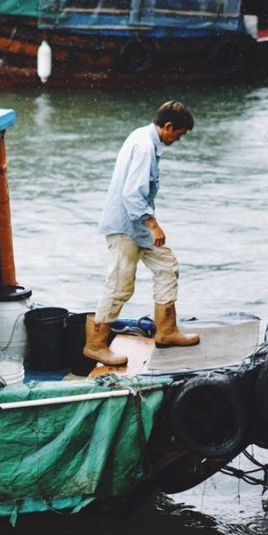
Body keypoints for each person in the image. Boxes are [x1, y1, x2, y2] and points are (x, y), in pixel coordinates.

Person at [85, 101, 199, 368]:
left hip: (138, 227)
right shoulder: (146, 146)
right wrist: (153, 224)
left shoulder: (140, 134)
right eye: (178, 134)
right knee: (120, 284)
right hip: (127, 225)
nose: (177, 139)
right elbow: (132, 194)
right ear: (168, 127)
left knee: (167, 266)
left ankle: (167, 330)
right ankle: (95, 345)